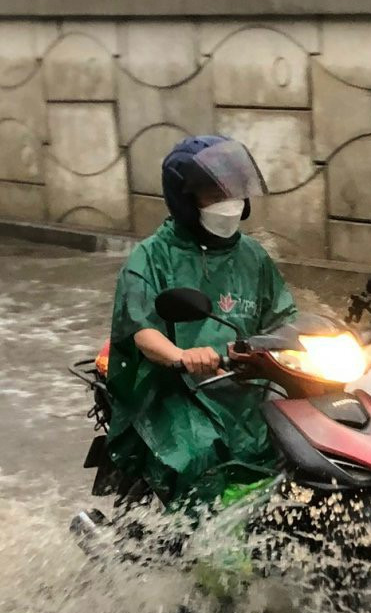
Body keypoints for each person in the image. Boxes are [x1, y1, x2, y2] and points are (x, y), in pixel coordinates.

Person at [103, 135, 299, 507]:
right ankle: (199, 537)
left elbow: (285, 317)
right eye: (214, 194)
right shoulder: (151, 257)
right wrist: (182, 355)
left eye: (233, 192)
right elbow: (142, 330)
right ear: (186, 201)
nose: (228, 203)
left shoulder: (253, 256)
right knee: (201, 453)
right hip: (176, 392)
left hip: (244, 382)